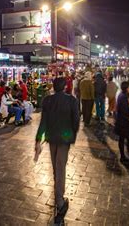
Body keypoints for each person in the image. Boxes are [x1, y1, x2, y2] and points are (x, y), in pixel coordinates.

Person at [34, 78, 79, 223]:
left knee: (56, 167)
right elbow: (76, 120)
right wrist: (72, 133)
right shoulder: (71, 100)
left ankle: (57, 190)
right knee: (61, 168)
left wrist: (38, 139)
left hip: (52, 137)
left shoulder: (47, 100)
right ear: (65, 87)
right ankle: (60, 200)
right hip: (64, 139)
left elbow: (43, 121)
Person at [115, 81, 129, 163]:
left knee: (123, 139)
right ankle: (124, 155)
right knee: (127, 138)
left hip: (122, 120)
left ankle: (124, 154)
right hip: (123, 121)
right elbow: (123, 110)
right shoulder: (123, 97)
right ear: (126, 88)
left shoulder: (123, 95)